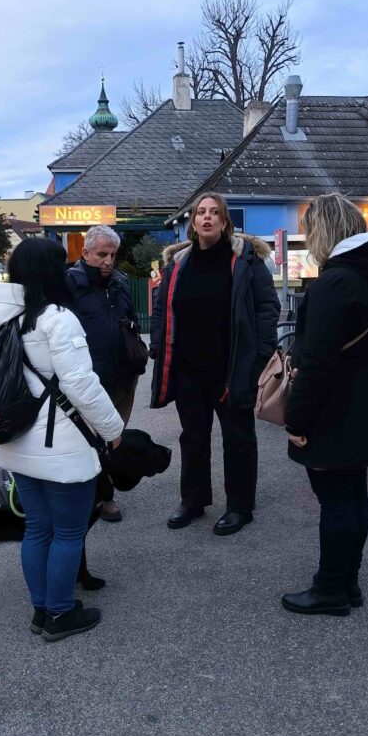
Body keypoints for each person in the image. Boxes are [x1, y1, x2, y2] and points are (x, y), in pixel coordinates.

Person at [0, 238, 124, 641]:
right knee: (69, 533)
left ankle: (41, 609)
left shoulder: (7, 319)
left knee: (38, 528)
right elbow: (81, 385)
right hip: (61, 448)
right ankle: (60, 614)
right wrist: (113, 430)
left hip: (19, 444)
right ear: (52, 272)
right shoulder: (58, 319)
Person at [281, 193, 368, 617]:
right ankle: (348, 581)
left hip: (333, 408)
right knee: (353, 495)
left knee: (336, 499)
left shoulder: (336, 281)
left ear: (323, 230)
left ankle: (330, 589)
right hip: (363, 400)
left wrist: (295, 418)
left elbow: (317, 361)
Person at [150, 191, 280, 536]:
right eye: (200, 212)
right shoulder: (179, 264)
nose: (206, 217)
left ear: (224, 221)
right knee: (193, 437)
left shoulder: (246, 262)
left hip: (231, 368)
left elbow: (268, 309)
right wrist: (159, 351)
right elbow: (163, 310)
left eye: (214, 213)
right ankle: (193, 501)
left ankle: (240, 506)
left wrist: (258, 357)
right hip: (189, 370)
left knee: (238, 438)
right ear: (193, 222)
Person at [65, 225, 139, 523]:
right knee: (84, 441)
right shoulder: (69, 284)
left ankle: (106, 497)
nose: (108, 260)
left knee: (113, 440)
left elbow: (130, 319)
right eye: (101, 254)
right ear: (85, 253)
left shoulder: (119, 283)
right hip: (87, 381)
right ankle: (85, 497)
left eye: (112, 254)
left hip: (122, 377)